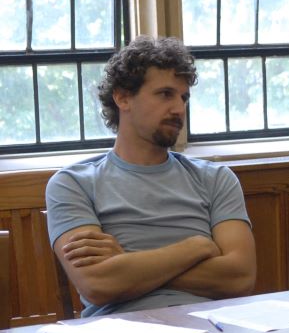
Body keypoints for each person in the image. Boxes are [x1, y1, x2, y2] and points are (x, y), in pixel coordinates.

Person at [45, 37, 256, 317]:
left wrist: (126, 262)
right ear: (122, 97)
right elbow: (97, 284)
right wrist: (198, 247)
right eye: (165, 94)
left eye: (184, 97)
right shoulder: (73, 183)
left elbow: (240, 277)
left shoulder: (215, 178)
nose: (179, 109)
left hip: (213, 328)